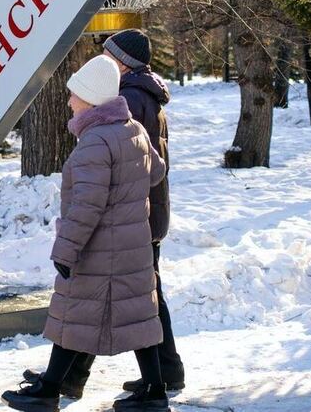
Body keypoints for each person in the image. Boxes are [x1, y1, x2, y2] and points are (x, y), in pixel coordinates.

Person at [1, 55, 169, 412]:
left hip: (98, 249)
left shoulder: (95, 141)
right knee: (136, 315)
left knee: (74, 312)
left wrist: (65, 250)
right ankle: (152, 389)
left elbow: (86, 206)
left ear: (91, 99)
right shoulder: (132, 129)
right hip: (131, 246)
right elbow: (156, 171)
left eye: (74, 95)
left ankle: (50, 389)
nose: (69, 101)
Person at [103, 29, 185, 393]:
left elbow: (129, 158)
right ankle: (167, 371)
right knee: (139, 291)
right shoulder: (144, 94)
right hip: (148, 210)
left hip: (137, 213)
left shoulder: (131, 98)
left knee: (135, 293)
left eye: (109, 56)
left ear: (124, 61)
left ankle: (165, 373)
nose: (105, 62)